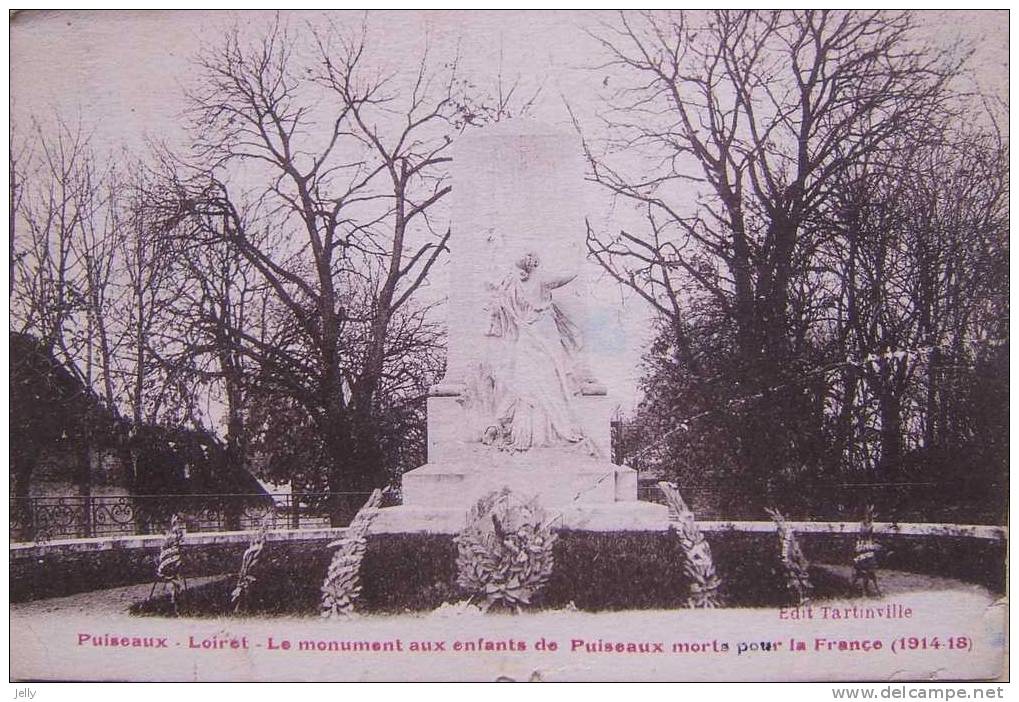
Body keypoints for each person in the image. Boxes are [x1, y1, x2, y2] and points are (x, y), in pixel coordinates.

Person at [481, 252, 586, 451]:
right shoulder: (541, 279)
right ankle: (546, 428)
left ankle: (518, 428)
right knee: (548, 377)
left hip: (526, 333)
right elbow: (567, 276)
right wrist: (578, 261)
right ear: (535, 264)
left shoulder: (513, 284)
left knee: (526, 379)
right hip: (543, 331)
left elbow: (500, 306)